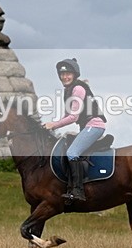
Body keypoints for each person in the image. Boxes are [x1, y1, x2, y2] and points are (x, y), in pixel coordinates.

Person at [43, 58, 107, 202]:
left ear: (75, 74)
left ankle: (78, 191)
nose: (64, 77)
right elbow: (67, 115)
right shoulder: (69, 90)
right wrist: (50, 125)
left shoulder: (78, 89)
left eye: (68, 74)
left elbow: (73, 117)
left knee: (72, 152)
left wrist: (54, 125)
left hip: (95, 125)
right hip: (87, 126)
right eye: (62, 74)